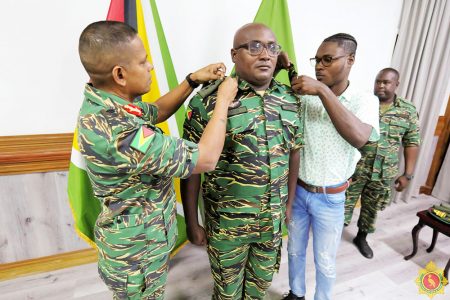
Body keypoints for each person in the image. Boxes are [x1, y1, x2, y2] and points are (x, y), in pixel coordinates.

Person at [76, 20, 237, 299]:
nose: (150, 66)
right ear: (120, 74)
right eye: (143, 61)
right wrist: (222, 101)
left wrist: (191, 81)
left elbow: (155, 112)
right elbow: (207, 159)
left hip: (139, 245)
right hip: (136, 258)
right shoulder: (118, 133)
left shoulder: (107, 102)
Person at [181, 23, 303, 299]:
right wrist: (192, 221)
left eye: (272, 47)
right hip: (227, 227)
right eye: (254, 46)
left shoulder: (290, 99)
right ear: (234, 55)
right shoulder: (209, 102)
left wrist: (289, 203)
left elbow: (294, 151)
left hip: (271, 223)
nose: (265, 55)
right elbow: (192, 167)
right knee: (227, 293)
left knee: (259, 290)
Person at [283, 33, 380, 300]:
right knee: (294, 250)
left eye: (328, 60)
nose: (319, 66)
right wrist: (288, 67)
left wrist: (323, 91)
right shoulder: (308, 96)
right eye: (317, 60)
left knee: (325, 260)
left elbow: (359, 137)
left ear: (350, 60)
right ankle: (296, 293)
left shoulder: (364, 101)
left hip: (331, 198)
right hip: (300, 191)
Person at [345, 68, 420, 259]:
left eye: (386, 82)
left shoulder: (407, 110)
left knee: (372, 207)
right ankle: (331, 235)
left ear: (397, 84)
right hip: (354, 168)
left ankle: (361, 238)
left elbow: (411, 142)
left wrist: (408, 174)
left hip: (383, 171)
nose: (381, 86)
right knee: (342, 205)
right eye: (378, 81)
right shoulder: (363, 103)